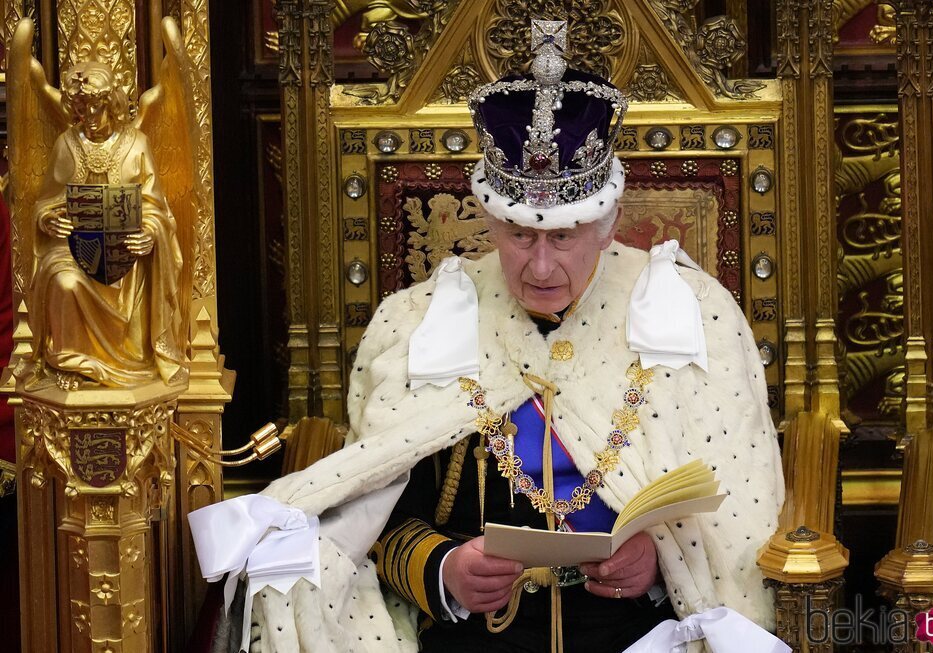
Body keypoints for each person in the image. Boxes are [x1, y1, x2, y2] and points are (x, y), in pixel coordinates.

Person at [192, 20, 785, 653]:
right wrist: (444, 571)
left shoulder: (691, 313)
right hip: (475, 639)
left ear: (607, 225)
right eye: (519, 236)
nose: (540, 266)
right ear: (489, 219)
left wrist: (660, 572)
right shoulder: (420, 322)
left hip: (635, 633)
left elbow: (732, 543)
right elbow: (368, 526)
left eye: (562, 238)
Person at [27, 61, 187, 390]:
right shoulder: (66, 145)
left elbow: (156, 206)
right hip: (75, 251)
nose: (90, 120)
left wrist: (149, 233)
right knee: (63, 281)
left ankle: (135, 358)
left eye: (96, 109)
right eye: (82, 111)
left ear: (111, 104)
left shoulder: (137, 143)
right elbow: (45, 202)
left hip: (126, 255)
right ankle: (72, 363)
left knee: (135, 270)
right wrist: (48, 220)